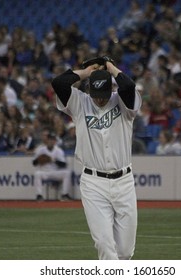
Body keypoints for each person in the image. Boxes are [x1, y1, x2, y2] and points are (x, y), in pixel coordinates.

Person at [51, 56, 141, 260]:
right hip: (93, 183)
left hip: (124, 182)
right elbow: (58, 83)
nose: (99, 99)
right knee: (104, 245)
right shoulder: (80, 102)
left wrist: (110, 67)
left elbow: (128, 85)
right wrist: (86, 72)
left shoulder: (124, 102)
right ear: (89, 89)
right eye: (95, 94)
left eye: (104, 93)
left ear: (112, 89)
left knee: (125, 252)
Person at [33, 131, 73, 201]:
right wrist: (39, 159)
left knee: (67, 173)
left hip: (55, 172)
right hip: (44, 172)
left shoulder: (58, 150)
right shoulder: (41, 150)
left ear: (55, 141)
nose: (51, 141)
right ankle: (39, 195)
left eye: (53, 140)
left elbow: (63, 164)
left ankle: (65, 194)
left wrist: (53, 160)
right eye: (50, 139)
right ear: (47, 140)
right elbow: (34, 163)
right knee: (37, 174)